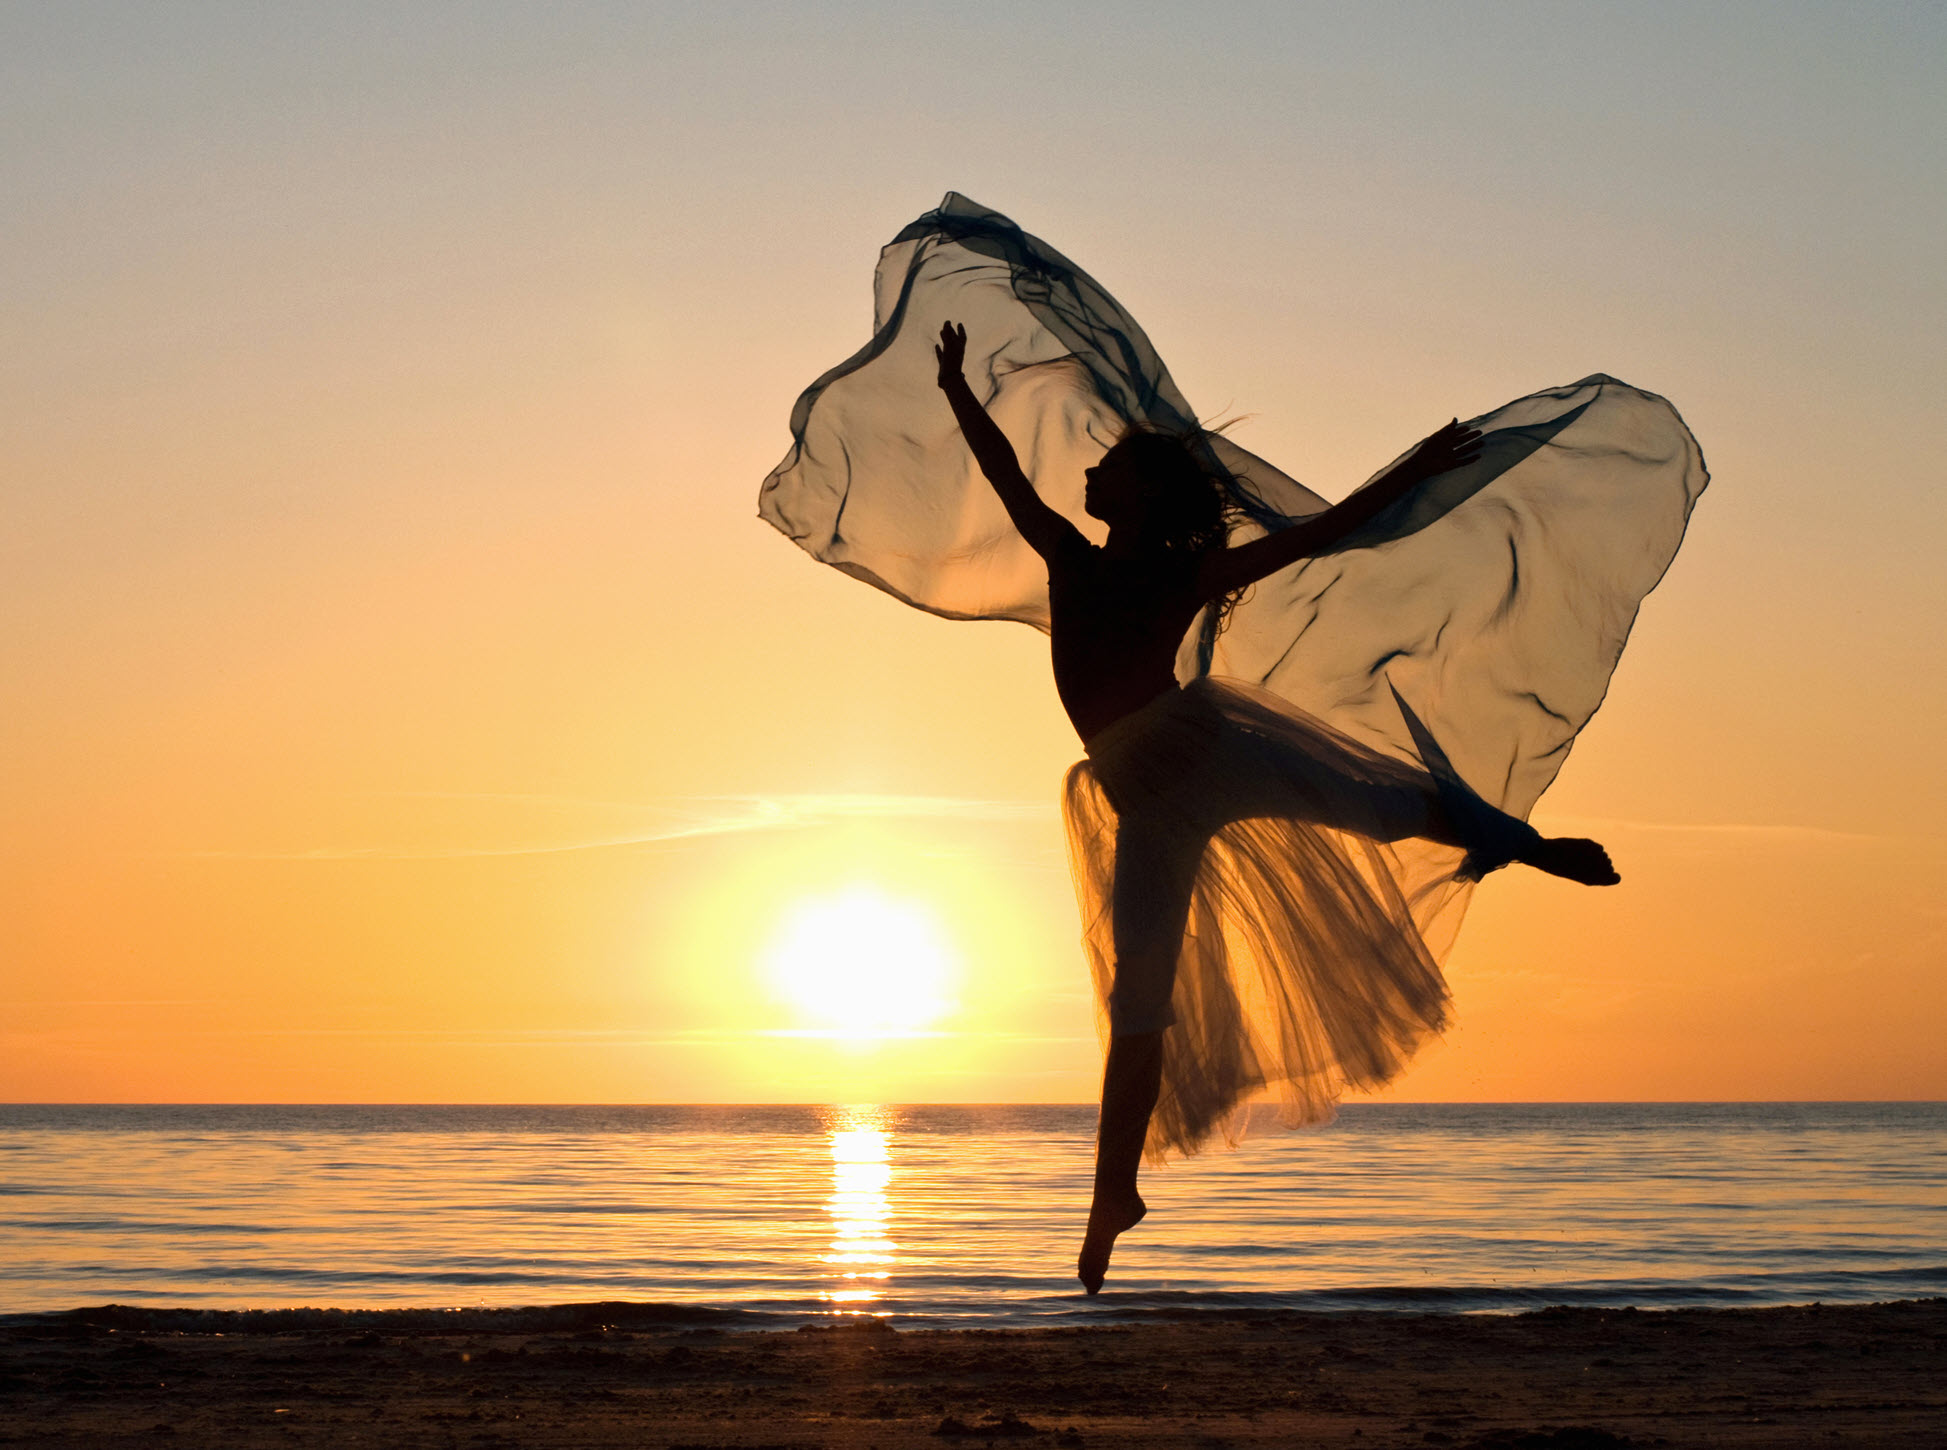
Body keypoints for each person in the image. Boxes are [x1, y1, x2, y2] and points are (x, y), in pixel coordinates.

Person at [930, 320, 1620, 1292]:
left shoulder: (1176, 572)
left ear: (1144, 496)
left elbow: (1319, 536)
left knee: (1374, 803)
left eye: (1111, 468)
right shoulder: (1070, 556)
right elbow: (1002, 473)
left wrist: (1415, 470)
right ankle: (1112, 1194)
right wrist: (956, 389)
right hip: (1138, 791)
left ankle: (1533, 847)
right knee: (1138, 998)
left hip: (1198, 750)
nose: (1090, 472)